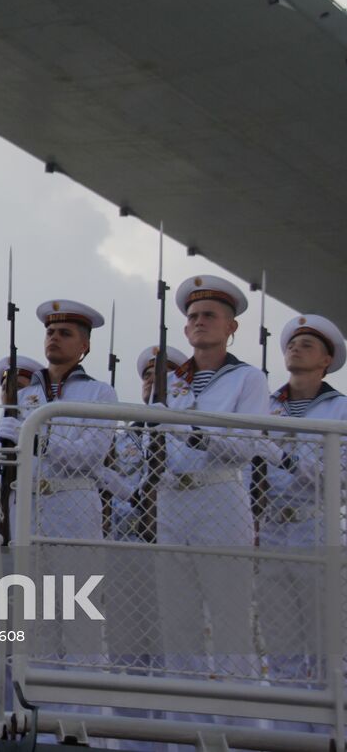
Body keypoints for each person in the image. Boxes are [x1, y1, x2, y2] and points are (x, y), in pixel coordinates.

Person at [154, 275, 269, 687]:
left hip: (218, 491)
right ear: (185, 330)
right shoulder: (170, 383)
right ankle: (185, 727)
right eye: (194, 317)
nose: (200, 322)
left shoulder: (248, 379)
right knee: (177, 617)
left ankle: (240, 727)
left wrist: (195, 431)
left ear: (230, 327)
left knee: (229, 615)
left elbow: (244, 446)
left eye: (210, 316)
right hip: (172, 497)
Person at [257, 314, 347, 694]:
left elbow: (339, 476)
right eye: (293, 343)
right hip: (271, 526)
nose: (296, 347)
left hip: (315, 524)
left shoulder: (339, 410)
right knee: (280, 643)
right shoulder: (265, 406)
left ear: (326, 360)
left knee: (326, 641)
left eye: (307, 344)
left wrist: (288, 457)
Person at [0, 300, 117, 542]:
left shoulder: (100, 393)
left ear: (84, 345)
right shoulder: (21, 397)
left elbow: (90, 457)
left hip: (73, 509)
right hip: (25, 511)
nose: (54, 338)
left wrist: (37, 443)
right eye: (50, 332)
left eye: (64, 333)